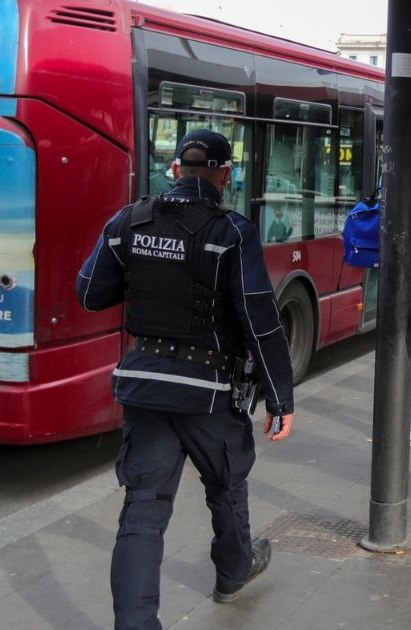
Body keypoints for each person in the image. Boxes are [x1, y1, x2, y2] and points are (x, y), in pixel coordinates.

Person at [76, 130, 295, 629]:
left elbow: (90, 293)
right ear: (224, 175)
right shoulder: (233, 232)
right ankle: (234, 571)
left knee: (143, 509)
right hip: (210, 392)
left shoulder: (127, 220)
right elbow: (259, 320)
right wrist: (280, 398)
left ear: (175, 170)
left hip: (145, 385)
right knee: (226, 484)